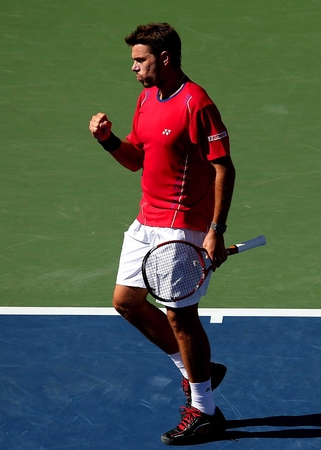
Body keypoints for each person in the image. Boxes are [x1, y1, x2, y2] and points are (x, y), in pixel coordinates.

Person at [88, 22, 235, 445]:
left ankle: (205, 411)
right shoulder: (146, 98)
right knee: (127, 303)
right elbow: (136, 159)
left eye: (140, 60)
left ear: (164, 58)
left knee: (179, 315)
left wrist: (215, 230)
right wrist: (108, 140)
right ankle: (196, 372)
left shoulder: (197, 103)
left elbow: (224, 166)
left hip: (181, 225)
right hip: (145, 221)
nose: (133, 68)